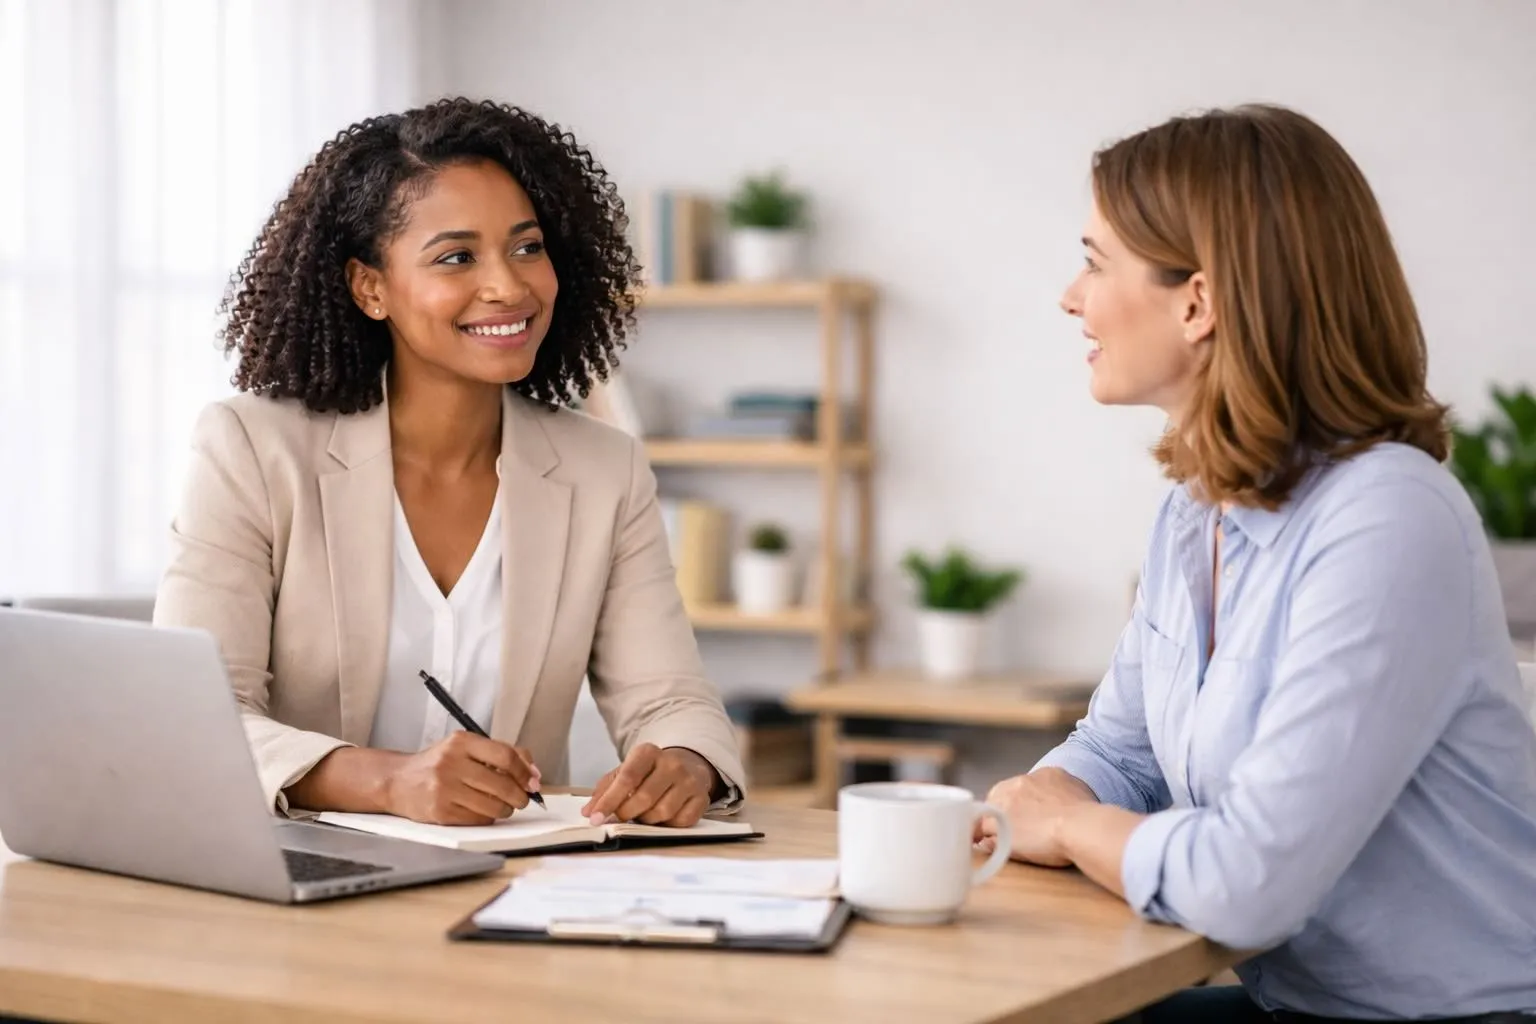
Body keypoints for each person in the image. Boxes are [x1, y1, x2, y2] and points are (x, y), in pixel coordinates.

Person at [977, 105, 1536, 1022]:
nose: (1070, 297)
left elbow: (1248, 885)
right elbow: (1124, 747)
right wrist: (1034, 799)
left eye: (1094, 260)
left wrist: (1070, 826)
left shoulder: (1388, 519)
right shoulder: (1194, 512)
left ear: (1197, 301)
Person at [154, 97, 743, 830]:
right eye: (457, 257)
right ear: (371, 287)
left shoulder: (604, 471)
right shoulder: (251, 448)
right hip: (290, 882)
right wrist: (387, 782)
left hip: (508, 883)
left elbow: (671, 699)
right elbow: (195, 718)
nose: (510, 285)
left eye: (527, 247)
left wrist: (688, 763)